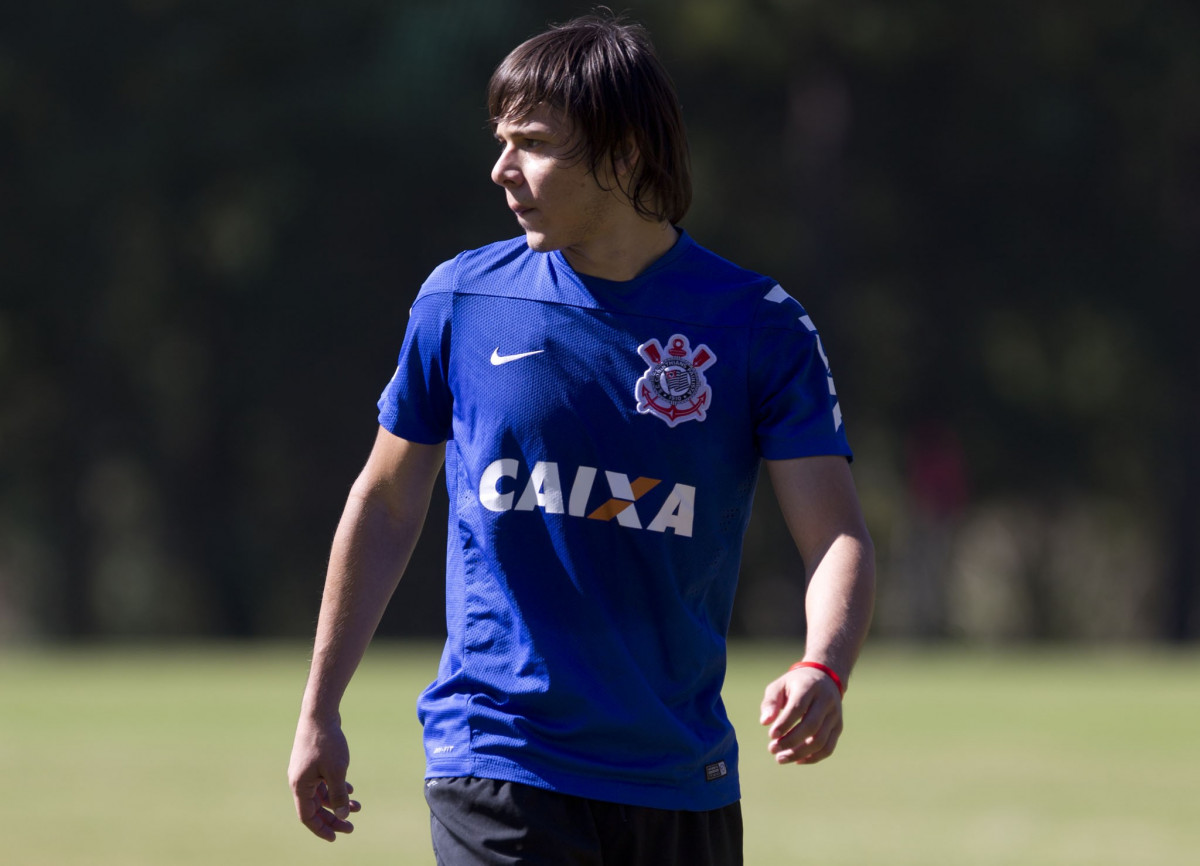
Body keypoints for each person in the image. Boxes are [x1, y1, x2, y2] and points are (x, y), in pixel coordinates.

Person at [288, 11, 875, 865]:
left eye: (531, 143)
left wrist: (824, 665)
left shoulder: (759, 327)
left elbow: (836, 536)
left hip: (680, 773)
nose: (500, 170)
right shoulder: (459, 301)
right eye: (500, 140)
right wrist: (319, 706)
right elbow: (383, 504)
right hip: (498, 758)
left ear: (626, 152)